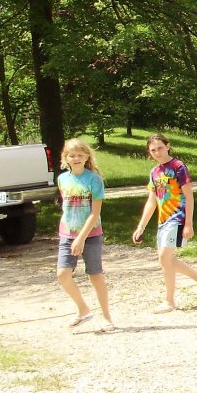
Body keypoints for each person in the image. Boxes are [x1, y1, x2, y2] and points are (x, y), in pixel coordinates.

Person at [132, 133, 197, 312]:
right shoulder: (154, 172)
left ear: (167, 146)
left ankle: (169, 301)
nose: (157, 152)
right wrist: (141, 226)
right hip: (163, 220)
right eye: (153, 150)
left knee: (164, 258)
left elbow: (189, 196)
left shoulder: (178, 167)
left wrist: (188, 223)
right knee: (166, 260)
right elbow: (151, 201)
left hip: (177, 218)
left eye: (160, 148)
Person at [56, 138, 115, 333]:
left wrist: (81, 237)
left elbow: (95, 213)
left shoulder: (94, 179)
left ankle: (107, 317)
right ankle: (83, 309)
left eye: (80, 155)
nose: (76, 158)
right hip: (67, 233)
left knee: (95, 275)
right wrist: (72, 236)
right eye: (72, 155)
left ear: (87, 157)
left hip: (90, 234)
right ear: (66, 158)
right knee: (63, 274)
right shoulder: (62, 179)